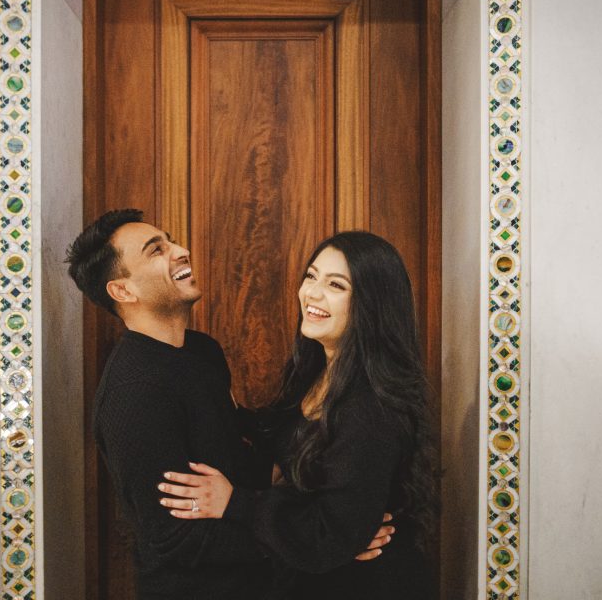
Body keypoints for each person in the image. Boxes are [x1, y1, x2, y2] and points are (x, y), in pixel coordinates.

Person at [66, 211, 391, 600]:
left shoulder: (202, 351)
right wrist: (322, 546)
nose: (181, 251)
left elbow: (239, 461)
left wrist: (336, 529)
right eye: (156, 250)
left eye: (170, 241)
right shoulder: (133, 394)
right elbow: (176, 539)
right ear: (123, 291)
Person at [158, 231, 437, 598]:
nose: (312, 293)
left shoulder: (371, 409)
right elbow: (286, 440)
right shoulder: (318, 371)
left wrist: (234, 502)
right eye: (311, 276)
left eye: (336, 285)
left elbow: (328, 534)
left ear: (372, 304)